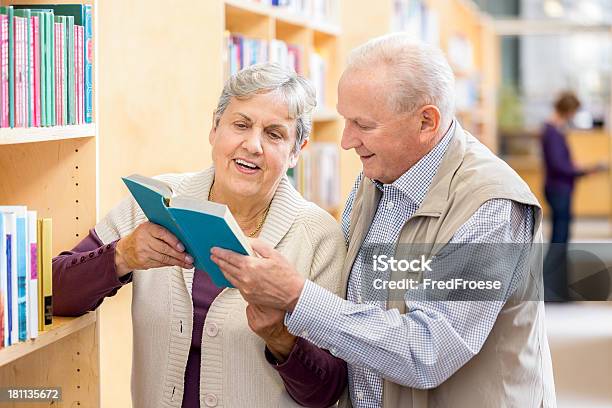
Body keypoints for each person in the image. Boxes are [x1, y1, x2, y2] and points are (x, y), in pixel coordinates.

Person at [211, 34, 557, 407]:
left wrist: (297, 295)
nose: (346, 140)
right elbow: (352, 302)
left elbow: (428, 352)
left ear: (426, 122)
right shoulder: (377, 176)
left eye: (363, 124)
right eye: (346, 120)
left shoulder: (492, 205)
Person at [52, 63, 348, 408]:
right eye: (241, 125)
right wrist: (122, 255)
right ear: (214, 128)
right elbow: (55, 295)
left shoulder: (318, 236)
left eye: (274, 134)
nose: (253, 145)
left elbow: (328, 393)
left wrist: (279, 337)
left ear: (297, 151)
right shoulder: (155, 200)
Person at [541, 91, 607, 300]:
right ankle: (549, 290)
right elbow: (559, 166)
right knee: (559, 241)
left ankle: (558, 290)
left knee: (562, 239)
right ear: (568, 111)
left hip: (560, 188)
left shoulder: (555, 131)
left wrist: (577, 168)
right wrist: (585, 170)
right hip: (558, 189)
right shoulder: (552, 132)